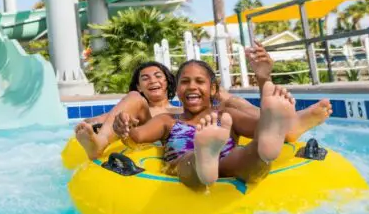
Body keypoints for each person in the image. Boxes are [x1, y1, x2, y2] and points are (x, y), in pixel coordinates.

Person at [75, 43, 332, 160]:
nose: (152, 80)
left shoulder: (195, 107)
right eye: (145, 78)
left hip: (221, 132)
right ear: (139, 85)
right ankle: (99, 145)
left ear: (168, 83)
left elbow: (232, 105)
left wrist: (263, 78)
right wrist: (109, 125)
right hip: (177, 145)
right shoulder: (142, 105)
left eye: (158, 75)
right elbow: (110, 121)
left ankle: (287, 124)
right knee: (226, 110)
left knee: (230, 106)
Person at [122, 60, 297, 189]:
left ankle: (265, 147)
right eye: (185, 82)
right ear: (177, 90)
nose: (192, 86)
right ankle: (204, 155)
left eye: (199, 81)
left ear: (213, 89)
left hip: (225, 162)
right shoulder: (167, 121)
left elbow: (257, 129)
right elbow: (137, 136)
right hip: (188, 164)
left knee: (248, 154)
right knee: (187, 161)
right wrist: (124, 127)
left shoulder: (227, 116)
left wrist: (266, 127)